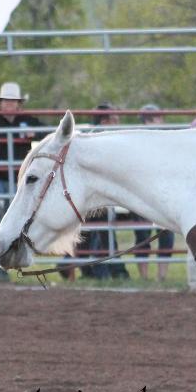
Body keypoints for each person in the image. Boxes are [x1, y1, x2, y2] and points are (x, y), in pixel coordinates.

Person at [0, 82, 46, 282]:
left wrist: (36, 135)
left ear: (18, 104)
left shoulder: (30, 122)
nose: (8, 104)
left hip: (21, 181)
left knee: (18, 220)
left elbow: (49, 134)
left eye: (12, 101)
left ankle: (13, 260)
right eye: (5, 100)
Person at [75, 102, 130, 281]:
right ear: (105, 120)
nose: (117, 122)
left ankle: (98, 268)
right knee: (100, 229)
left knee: (96, 229)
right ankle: (110, 268)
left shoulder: (94, 139)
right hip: (95, 190)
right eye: (115, 119)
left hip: (97, 190)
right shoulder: (96, 139)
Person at [133, 103, 175, 282]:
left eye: (158, 117)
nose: (159, 120)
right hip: (143, 191)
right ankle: (145, 276)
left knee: (166, 234)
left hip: (162, 191)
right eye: (154, 117)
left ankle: (161, 276)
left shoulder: (166, 138)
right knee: (143, 235)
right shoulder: (138, 138)